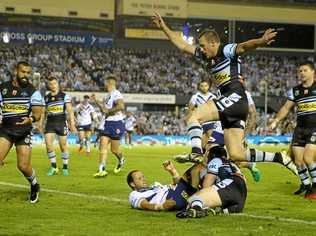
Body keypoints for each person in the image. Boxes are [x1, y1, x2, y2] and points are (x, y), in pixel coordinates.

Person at [152, 12, 296, 173]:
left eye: (203, 45)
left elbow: (243, 46)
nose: (201, 49)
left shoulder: (225, 50)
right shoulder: (205, 55)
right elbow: (183, 45)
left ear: (213, 43)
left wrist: (261, 41)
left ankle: (195, 152)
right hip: (234, 104)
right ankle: (280, 158)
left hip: (234, 96)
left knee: (194, 116)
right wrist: (164, 27)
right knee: (236, 154)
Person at [270, 61, 316, 199]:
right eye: (300, 71)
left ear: (313, 72)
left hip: (315, 128)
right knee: (298, 161)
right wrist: (276, 120)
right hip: (300, 129)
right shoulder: (295, 90)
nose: (301, 73)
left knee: (308, 158)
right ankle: (307, 186)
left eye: (305, 70)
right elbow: (285, 108)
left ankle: (315, 186)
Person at [0, 61, 44, 203]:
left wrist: (30, 119)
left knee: (23, 166)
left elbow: (37, 114)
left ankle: (34, 185)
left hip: (23, 131)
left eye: (28, 73)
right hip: (5, 130)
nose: (25, 75)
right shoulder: (3, 88)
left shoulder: (33, 91)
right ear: (16, 71)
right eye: (23, 72)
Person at [176, 146, 247, 218]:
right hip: (241, 195)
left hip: (230, 186)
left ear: (212, 155)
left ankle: (196, 209)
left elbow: (207, 184)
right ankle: (218, 209)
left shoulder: (216, 160)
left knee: (193, 199)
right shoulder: (232, 164)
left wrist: (202, 194)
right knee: (216, 209)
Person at [127, 160, 198, 211]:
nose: (143, 179)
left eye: (143, 177)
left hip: (177, 194)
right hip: (172, 199)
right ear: (132, 184)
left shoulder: (154, 186)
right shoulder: (134, 194)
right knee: (195, 170)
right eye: (139, 178)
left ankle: (198, 204)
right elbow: (144, 205)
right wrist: (162, 206)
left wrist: (172, 171)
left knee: (199, 175)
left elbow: (176, 184)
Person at [41, 76, 77, 176]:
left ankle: (65, 168)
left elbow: (70, 111)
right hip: (50, 124)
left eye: (54, 83)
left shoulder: (64, 96)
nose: (52, 85)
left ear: (58, 84)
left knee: (63, 146)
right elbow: (43, 112)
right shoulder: (46, 97)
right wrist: (40, 123)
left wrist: (72, 124)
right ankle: (54, 167)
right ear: (48, 85)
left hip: (61, 123)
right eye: (51, 84)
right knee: (48, 145)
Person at [92, 76, 125, 177]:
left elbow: (121, 106)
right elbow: (104, 110)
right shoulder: (106, 96)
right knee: (102, 145)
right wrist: (96, 101)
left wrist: (109, 111)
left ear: (110, 83)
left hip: (116, 123)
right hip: (106, 123)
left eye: (106, 83)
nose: (104, 85)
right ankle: (101, 169)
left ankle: (121, 159)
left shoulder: (116, 93)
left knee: (114, 150)